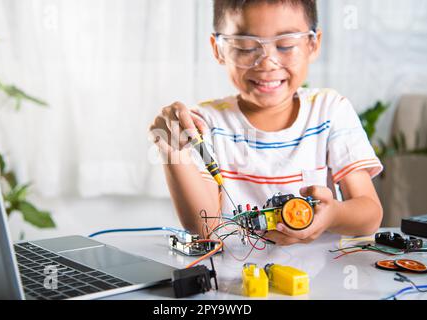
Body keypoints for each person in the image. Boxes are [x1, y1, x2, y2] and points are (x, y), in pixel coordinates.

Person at [149, 0, 383, 246]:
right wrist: (172, 151)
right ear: (218, 49)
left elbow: (370, 215)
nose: (267, 63)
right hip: (238, 277)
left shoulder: (330, 110)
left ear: (313, 45)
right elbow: (204, 227)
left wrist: (334, 214)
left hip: (319, 278)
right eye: (246, 47)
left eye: (285, 45)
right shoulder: (203, 123)